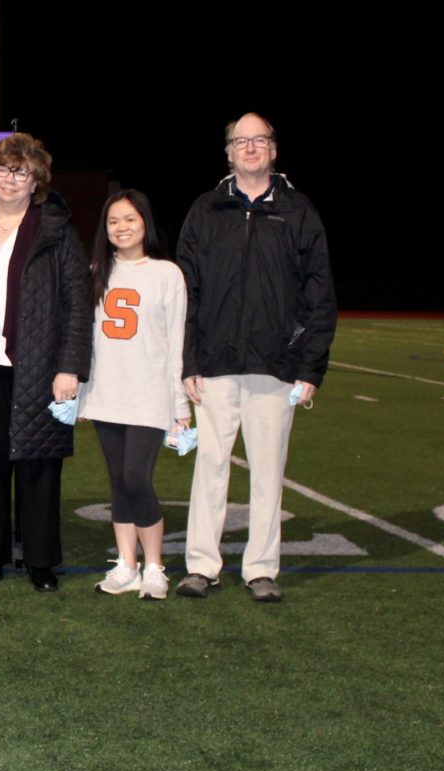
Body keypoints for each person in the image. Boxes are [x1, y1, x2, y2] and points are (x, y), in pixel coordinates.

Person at [175, 113, 337, 603]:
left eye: (259, 140)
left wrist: (309, 367)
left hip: (275, 366)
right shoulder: (206, 210)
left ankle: (261, 568)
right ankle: (202, 564)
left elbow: (319, 294)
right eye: (240, 141)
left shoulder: (299, 211)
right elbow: (186, 292)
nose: (250, 148)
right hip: (216, 364)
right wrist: (188, 361)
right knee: (211, 467)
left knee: (268, 471)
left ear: (274, 150)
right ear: (227, 152)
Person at [0, 132, 92, 592]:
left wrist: (69, 367)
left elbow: (76, 302)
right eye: (2, 170)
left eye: (20, 171)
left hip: (40, 366)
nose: (10, 179)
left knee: (39, 465)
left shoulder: (56, 230)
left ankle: (40, 562)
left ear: (36, 181)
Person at [77, 190, 190, 601]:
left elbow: (176, 342)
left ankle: (156, 565)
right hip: (107, 392)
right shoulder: (94, 271)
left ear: (145, 222)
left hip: (149, 395)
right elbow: (85, 341)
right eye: (113, 221)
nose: (121, 228)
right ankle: (127, 564)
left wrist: (180, 405)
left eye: (129, 219)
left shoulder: (166, 274)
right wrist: (83, 395)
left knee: (136, 479)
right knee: (118, 483)